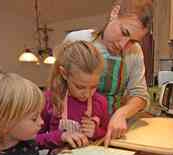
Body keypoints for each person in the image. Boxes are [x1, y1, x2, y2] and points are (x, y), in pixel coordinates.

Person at [62, 0, 153, 146]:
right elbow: (58, 87)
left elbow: (140, 95)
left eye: (133, 41)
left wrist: (122, 113)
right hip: (74, 133)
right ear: (114, 13)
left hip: (109, 132)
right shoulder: (76, 40)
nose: (123, 45)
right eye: (124, 32)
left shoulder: (135, 52)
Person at [36, 41, 109, 149]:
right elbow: (32, 141)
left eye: (93, 87)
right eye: (80, 87)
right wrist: (60, 136)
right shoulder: (49, 100)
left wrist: (96, 132)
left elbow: (106, 132)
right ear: (64, 74)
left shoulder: (100, 102)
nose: (87, 94)